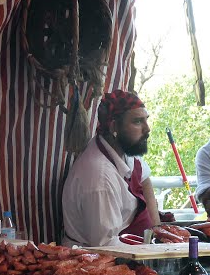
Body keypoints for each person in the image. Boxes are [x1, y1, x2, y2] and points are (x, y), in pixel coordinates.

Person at [61, 90, 160, 247]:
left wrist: (156, 230)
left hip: (132, 246)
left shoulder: (123, 149)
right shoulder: (101, 179)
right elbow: (106, 245)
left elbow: (145, 179)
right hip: (96, 261)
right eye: (137, 122)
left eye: (146, 120)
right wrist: (153, 252)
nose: (147, 129)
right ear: (114, 126)